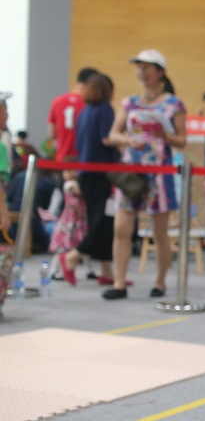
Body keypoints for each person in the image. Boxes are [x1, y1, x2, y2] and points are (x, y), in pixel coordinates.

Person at [104, 49, 186, 300]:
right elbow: (113, 135)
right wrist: (129, 140)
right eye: (139, 67)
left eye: (147, 67)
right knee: (121, 227)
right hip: (131, 172)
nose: (141, 71)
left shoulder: (173, 104)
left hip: (160, 173)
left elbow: (182, 140)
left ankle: (160, 281)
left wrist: (166, 136)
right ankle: (119, 282)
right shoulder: (129, 103)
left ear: (160, 72)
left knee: (159, 231)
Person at [60, 73, 116, 285]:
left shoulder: (84, 112)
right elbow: (107, 138)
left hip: (86, 173)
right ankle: (72, 257)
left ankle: (107, 271)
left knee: (98, 220)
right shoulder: (105, 110)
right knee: (101, 223)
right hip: (100, 174)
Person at [48, 67, 99, 164]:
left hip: (62, 159)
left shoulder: (57, 101)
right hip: (85, 159)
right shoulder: (91, 105)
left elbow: (51, 133)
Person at [49, 171, 87, 264]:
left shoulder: (75, 183)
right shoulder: (69, 184)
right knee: (64, 246)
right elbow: (79, 191)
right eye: (68, 170)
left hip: (78, 219)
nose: (72, 173)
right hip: (69, 220)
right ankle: (55, 270)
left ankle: (90, 270)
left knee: (82, 243)